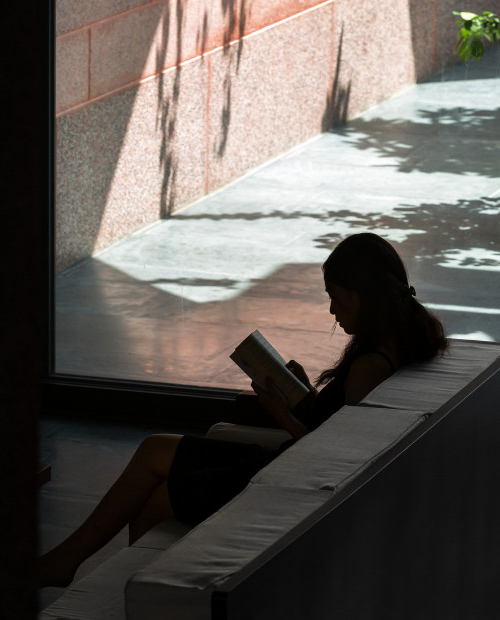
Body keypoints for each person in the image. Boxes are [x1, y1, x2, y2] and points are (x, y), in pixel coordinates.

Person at [39, 233, 447, 588]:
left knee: (158, 499)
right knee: (153, 448)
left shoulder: (369, 366)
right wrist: (304, 395)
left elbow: (333, 465)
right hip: (286, 463)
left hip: (286, 479)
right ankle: (69, 562)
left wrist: (281, 413)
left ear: (359, 296)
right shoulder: (401, 338)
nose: (332, 311)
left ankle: (115, 590)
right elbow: (339, 427)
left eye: (335, 298)